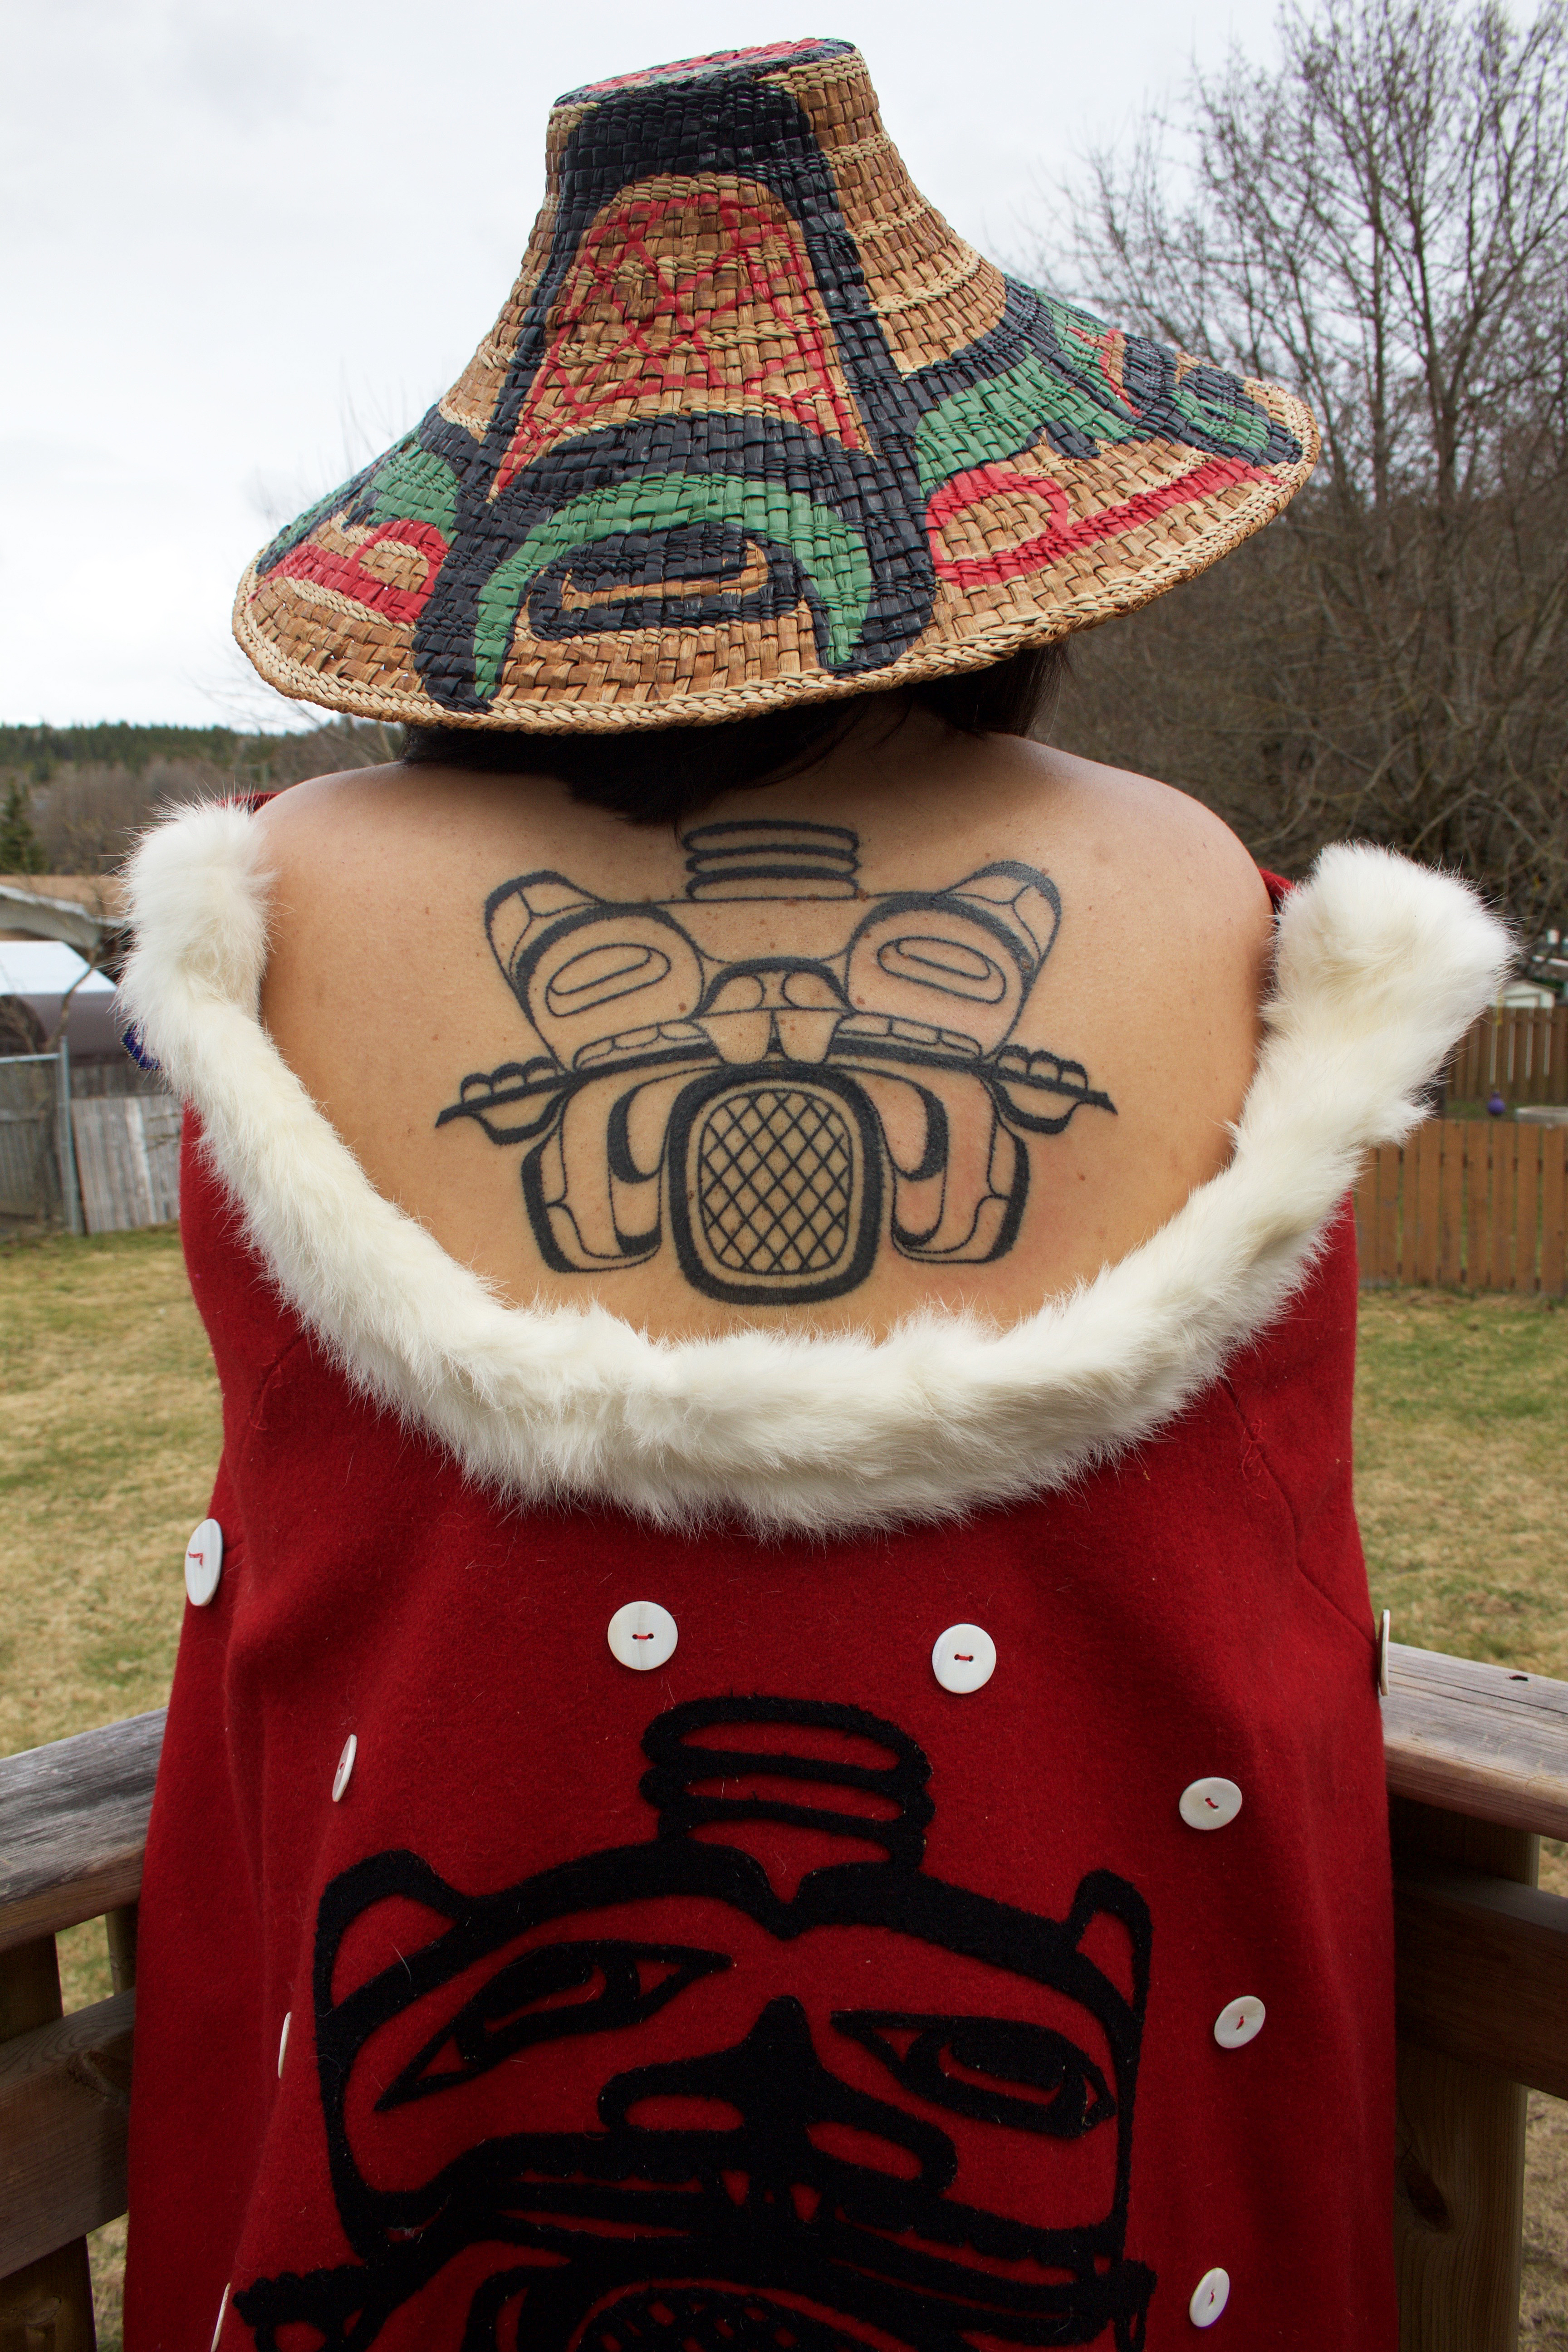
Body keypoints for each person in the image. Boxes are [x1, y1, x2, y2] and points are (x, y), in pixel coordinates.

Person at [119, 41, 1506, 2351]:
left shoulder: (274, 912)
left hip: (442, 2175)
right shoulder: (1210, 908)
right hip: (1143, 2180)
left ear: (505, 568)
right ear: (996, 549)